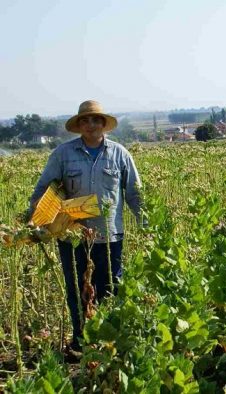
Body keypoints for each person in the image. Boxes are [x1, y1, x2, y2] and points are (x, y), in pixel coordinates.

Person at [27, 100, 144, 356]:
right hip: (72, 236)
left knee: (110, 288)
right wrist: (32, 219)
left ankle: (108, 344)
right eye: (85, 120)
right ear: (79, 125)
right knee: (77, 290)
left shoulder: (120, 154)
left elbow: (135, 194)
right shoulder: (62, 154)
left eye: (95, 120)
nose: (90, 125)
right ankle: (81, 343)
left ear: (104, 124)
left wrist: (146, 223)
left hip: (109, 235)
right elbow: (43, 190)